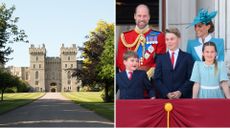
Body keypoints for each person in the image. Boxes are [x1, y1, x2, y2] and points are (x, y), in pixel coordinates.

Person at [116, 4, 166, 78]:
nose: (142, 19)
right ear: (135, 16)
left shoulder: (159, 36)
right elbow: (120, 61)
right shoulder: (125, 37)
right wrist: (130, 76)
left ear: (149, 17)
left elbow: (160, 61)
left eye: (144, 16)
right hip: (130, 82)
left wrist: (147, 75)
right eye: (139, 16)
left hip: (150, 81)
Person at [154, 28, 194, 99]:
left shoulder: (187, 57)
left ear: (178, 39)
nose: (169, 42)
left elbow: (191, 78)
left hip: (183, 98)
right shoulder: (160, 59)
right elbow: (157, 79)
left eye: (172, 39)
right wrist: (166, 93)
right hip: (165, 99)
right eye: (167, 39)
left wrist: (180, 92)